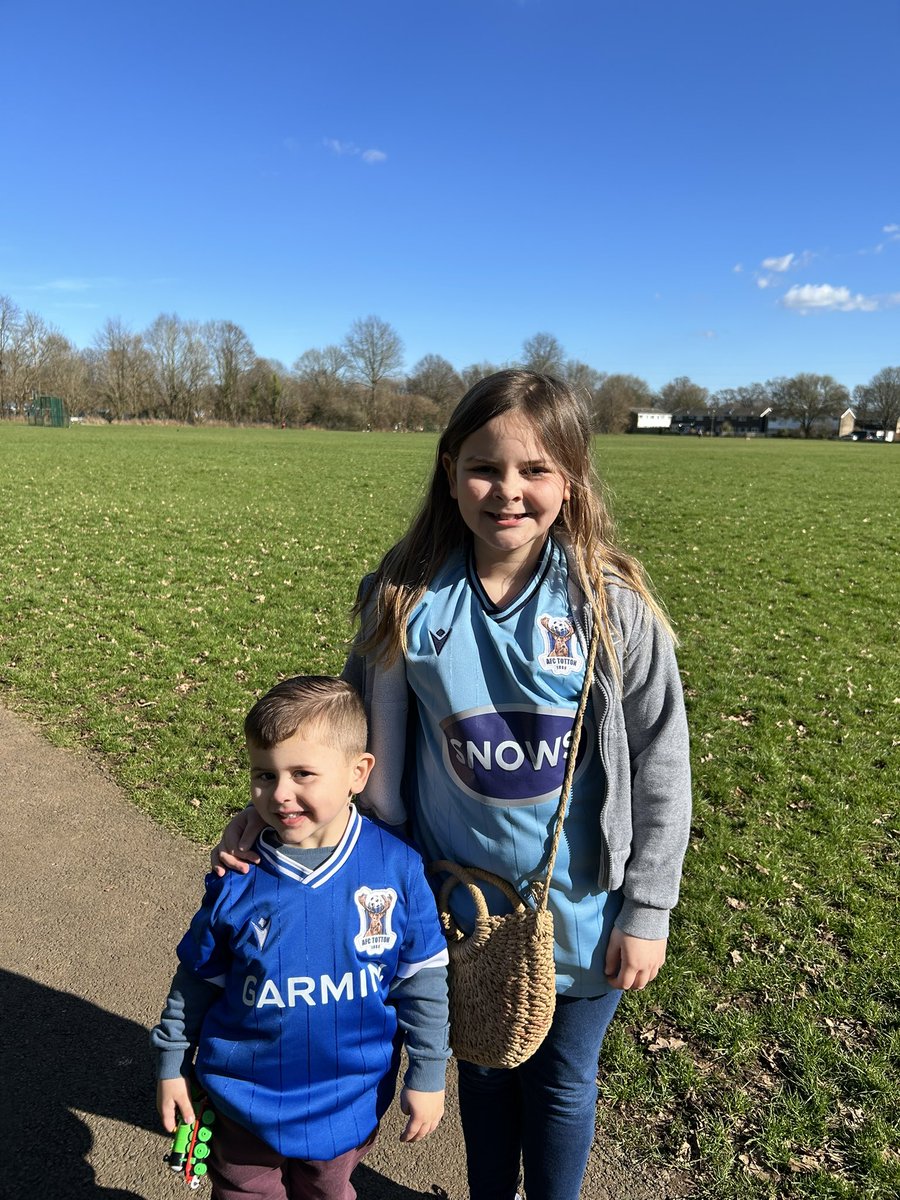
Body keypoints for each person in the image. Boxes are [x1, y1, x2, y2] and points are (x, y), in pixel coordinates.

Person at [215, 370, 692, 1200]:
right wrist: (268, 812)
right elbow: (341, 739)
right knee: (485, 1072)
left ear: (572, 479)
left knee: (562, 1083)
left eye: (536, 470)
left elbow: (662, 760)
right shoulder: (406, 595)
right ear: (448, 470)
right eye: (484, 467)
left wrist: (647, 908)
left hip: (583, 910)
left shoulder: (611, 609)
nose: (508, 491)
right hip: (451, 905)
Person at [153, 675, 450, 1200]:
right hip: (243, 1098)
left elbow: (421, 983)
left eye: (302, 774)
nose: (280, 793)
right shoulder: (237, 874)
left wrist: (427, 1073)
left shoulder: (397, 870)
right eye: (264, 775)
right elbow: (196, 979)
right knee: (242, 1189)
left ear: (358, 773)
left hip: (345, 1101)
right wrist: (173, 1060)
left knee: (326, 1190)